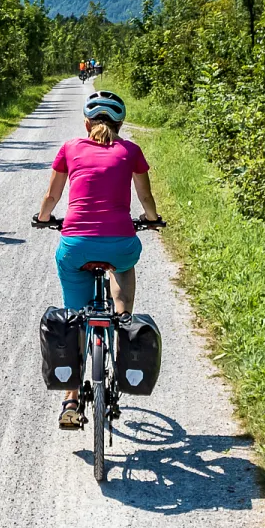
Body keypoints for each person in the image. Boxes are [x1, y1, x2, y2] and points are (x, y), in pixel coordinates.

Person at [33, 90, 163, 429]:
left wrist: (44, 218)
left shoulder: (70, 148)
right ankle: (122, 322)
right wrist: (151, 219)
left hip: (76, 246)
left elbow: (52, 195)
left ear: (87, 122)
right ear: (120, 123)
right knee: (124, 264)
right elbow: (145, 196)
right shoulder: (131, 151)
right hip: (119, 243)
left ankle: (71, 399)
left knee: (74, 317)